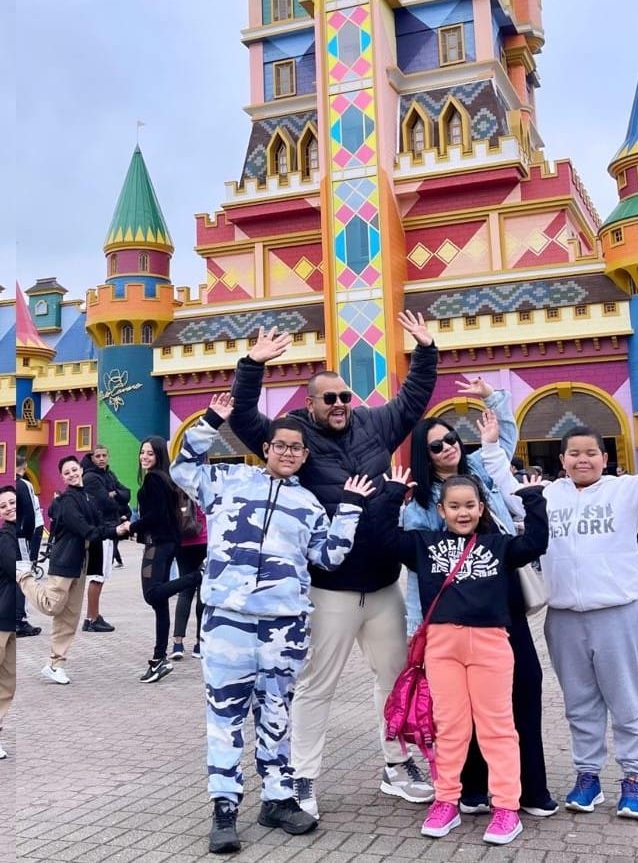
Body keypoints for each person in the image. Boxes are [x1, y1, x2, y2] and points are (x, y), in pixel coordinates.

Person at [229, 314, 438, 819]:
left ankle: (397, 763)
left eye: (346, 396)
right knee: (317, 684)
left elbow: (412, 400)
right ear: (311, 403)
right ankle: (301, 777)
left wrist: (426, 349)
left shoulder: (372, 423)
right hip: (329, 587)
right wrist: (251, 366)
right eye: (331, 398)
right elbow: (244, 422)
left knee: (393, 677)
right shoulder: (293, 435)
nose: (342, 404)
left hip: (384, 583)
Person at [171, 395, 375, 851]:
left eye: (296, 448)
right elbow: (184, 468)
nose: (287, 453)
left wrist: (349, 510)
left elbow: (329, 556)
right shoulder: (228, 481)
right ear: (266, 448)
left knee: (277, 712)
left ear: (305, 456)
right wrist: (210, 421)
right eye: (280, 445)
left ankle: (277, 797)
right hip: (228, 623)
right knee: (225, 716)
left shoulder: (309, 505)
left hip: (284, 627)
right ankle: (224, 807)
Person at [375, 466, 549, 844]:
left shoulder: (499, 546)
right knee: (451, 728)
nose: (463, 512)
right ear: (441, 511)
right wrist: (391, 494)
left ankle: (505, 807)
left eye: (470, 505)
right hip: (442, 647)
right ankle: (446, 800)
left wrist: (533, 499)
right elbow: (384, 538)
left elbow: (536, 542)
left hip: (490, 646)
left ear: (482, 507)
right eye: (454, 506)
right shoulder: (423, 544)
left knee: (497, 727)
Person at [405, 398, 558, 819]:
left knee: (524, 684)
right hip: (454, 612)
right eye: (436, 446)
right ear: (424, 455)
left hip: (501, 595)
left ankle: (528, 787)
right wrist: (420, 624)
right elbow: (419, 570)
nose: (447, 448)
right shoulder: (421, 503)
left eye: (452, 439)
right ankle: (472, 789)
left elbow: (501, 442)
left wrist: (492, 399)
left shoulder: (480, 475)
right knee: (462, 704)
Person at [540, 387, 638, 821]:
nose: (582, 460)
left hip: (618, 614)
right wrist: (491, 446)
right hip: (563, 617)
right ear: (561, 460)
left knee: (626, 701)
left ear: (605, 458)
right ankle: (588, 777)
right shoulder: (547, 498)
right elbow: (503, 491)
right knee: (579, 704)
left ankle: (634, 779)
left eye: (591, 453)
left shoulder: (626, 493)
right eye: (573, 453)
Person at [16, 457, 131, 685]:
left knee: (68, 618)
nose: (72, 474)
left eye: (74, 469)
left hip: (80, 564)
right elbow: (87, 530)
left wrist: (120, 528)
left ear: (80, 470)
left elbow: (100, 526)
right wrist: (114, 531)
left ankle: (55, 665)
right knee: (52, 606)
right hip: (64, 562)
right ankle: (23, 576)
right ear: (63, 477)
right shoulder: (68, 500)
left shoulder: (87, 496)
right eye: (66, 472)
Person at [128, 436, 201, 683]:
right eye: (142, 453)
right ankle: (159, 659)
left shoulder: (153, 479)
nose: (145, 457)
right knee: (160, 605)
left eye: (150, 453)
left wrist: (130, 526)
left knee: (152, 594)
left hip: (158, 544)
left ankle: (196, 577)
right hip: (168, 543)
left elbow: (155, 516)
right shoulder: (165, 478)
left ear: (159, 455)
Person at [80, 445, 131, 632]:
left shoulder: (108, 475)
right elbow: (104, 503)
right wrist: (116, 498)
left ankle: (92, 616)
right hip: (102, 531)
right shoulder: (91, 477)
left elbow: (126, 493)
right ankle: (92, 619)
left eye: (104, 455)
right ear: (92, 458)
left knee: (102, 576)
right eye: (97, 456)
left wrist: (115, 493)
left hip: (111, 528)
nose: (101, 458)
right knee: (97, 576)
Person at [170, 498, 207, 661]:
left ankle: (178, 643)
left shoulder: (177, 489)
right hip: (203, 540)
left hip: (183, 542)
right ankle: (199, 644)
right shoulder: (203, 487)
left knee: (185, 593)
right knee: (202, 593)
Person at [14, 457, 42, 638]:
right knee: (22, 575)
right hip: (19, 536)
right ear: (23, 468)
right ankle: (19, 620)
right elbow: (32, 515)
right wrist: (29, 536)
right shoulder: (24, 485)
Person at [0, 486, 18, 759]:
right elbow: (17, 570)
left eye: (12, 502)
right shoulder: (5, 538)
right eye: (3, 506)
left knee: (7, 682)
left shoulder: (17, 534)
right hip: (2, 617)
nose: (10, 508)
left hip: (11, 619)